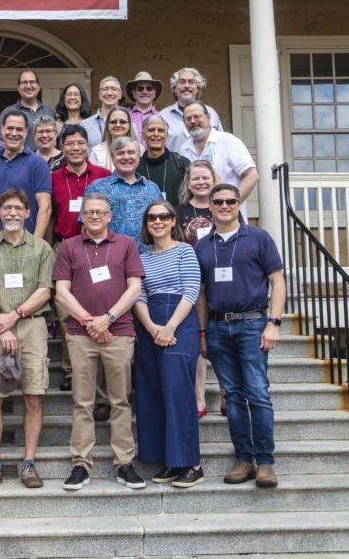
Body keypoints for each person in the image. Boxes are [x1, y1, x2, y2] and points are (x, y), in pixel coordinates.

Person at [195, 184, 286, 489]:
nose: (224, 206)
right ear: (210, 206)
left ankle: (265, 462)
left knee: (257, 393)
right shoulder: (203, 245)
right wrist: (203, 331)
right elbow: (202, 294)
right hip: (219, 328)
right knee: (232, 396)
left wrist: (273, 323)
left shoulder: (258, 237)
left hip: (252, 325)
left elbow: (278, 282)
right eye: (218, 201)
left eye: (230, 201)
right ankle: (244, 459)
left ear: (238, 204)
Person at [54, 193, 145, 490]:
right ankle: (81, 464)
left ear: (109, 216)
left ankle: (124, 463)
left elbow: (134, 288)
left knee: (120, 400)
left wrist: (107, 317)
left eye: (100, 212)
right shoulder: (69, 246)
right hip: (81, 335)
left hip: (119, 331)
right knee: (82, 401)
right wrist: (89, 321)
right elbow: (61, 292)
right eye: (89, 212)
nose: (94, 216)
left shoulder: (126, 245)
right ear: (81, 216)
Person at [0, 189, 54, 490]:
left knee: (33, 394)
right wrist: (2, 325)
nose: (11, 213)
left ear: (27, 213)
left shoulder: (42, 248)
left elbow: (45, 290)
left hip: (32, 326)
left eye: (18, 208)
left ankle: (29, 462)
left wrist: (15, 315)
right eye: (6, 208)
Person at [133, 201, 204, 488]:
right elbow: (138, 295)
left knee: (177, 391)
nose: (158, 221)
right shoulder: (142, 257)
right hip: (149, 323)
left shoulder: (185, 251)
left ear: (173, 220)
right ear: (147, 223)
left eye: (164, 216)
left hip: (179, 321)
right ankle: (168, 461)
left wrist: (170, 326)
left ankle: (192, 464)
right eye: (152, 217)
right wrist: (151, 327)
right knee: (152, 392)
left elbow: (191, 290)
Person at [49, 124, 110, 400]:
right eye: (70, 143)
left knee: (98, 303)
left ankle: (101, 370)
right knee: (65, 310)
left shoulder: (103, 176)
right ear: (62, 147)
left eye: (80, 143)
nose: (75, 148)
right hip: (65, 245)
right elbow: (49, 215)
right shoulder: (52, 178)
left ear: (88, 146)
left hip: (97, 247)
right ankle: (72, 370)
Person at [176, 159, 224, 417]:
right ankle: (199, 397)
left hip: (221, 277)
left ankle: (228, 394)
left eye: (205, 178)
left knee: (221, 338)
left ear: (213, 179)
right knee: (199, 337)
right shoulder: (180, 212)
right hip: (193, 279)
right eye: (196, 178)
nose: (201, 182)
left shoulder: (223, 206)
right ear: (189, 183)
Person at [178, 102, 259, 220]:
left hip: (231, 218)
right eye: (188, 118)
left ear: (208, 118)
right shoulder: (183, 150)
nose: (193, 121)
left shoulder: (228, 141)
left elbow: (252, 175)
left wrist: (232, 203)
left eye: (197, 116)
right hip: (198, 220)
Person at [0, 111, 52, 238]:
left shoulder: (38, 164)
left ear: (26, 133)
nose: (14, 133)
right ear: (2, 130)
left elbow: (45, 207)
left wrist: (35, 245)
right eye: (10, 128)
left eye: (19, 129)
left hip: (26, 243)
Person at [85, 137, 165, 249]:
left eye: (131, 152)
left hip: (149, 258)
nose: (126, 157)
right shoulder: (97, 188)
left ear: (138, 157)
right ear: (112, 158)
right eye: (120, 153)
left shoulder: (152, 189)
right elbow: (85, 226)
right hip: (109, 257)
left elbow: (163, 224)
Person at [162, 68, 224, 153]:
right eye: (182, 82)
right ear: (175, 88)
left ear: (198, 88)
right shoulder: (164, 116)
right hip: (177, 166)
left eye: (191, 82)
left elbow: (221, 142)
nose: (187, 86)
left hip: (208, 165)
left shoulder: (211, 113)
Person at [0, 69, 56, 150]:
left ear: (38, 86)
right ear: (18, 87)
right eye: (24, 82)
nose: (28, 86)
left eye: (32, 82)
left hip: (49, 161)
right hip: (20, 161)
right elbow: (0, 142)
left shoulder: (49, 111)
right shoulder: (9, 112)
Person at [137, 114, 190, 205]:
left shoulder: (182, 163)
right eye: (151, 130)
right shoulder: (135, 166)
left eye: (161, 130)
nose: (156, 134)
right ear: (143, 135)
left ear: (166, 135)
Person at [89, 107, 142, 172]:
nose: (118, 125)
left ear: (129, 125)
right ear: (107, 125)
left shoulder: (140, 148)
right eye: (113, 122)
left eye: (122, 122)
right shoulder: (96, 150)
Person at [124, 71, 165, 146]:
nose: (145, 92)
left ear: (154, 93)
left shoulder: (163, 117)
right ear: (134, 93)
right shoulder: (125, 118)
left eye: (149, 88)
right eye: (140, 88)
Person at [81, 76, 123, 148]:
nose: (109, 93)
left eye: (113, 89)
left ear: (120, 95)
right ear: (100, 95)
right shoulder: (85, 125)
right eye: (105, 89)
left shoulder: (130, 124)